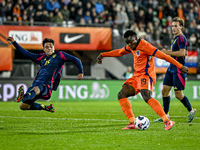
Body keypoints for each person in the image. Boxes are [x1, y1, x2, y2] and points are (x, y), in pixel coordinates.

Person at [97, 30, 188, 130]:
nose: (129, 45)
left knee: (146, 96)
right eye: (127, 43)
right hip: (136, 76)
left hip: (146, 75)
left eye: (131, 42)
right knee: (121, 94)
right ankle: (132, 123)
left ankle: (167, 121)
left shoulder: (146, 46)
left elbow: (164, 56)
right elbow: (119, 52)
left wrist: (180, 66)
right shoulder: (131, 46)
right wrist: (103, 54)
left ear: (136, 38)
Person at [7, 37, 83, 112]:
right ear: (43, 49)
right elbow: (26, 53)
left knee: (36, 89)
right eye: (47, 47)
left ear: (54, 47)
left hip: (46, 86)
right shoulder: (41, 57)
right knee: (23, 106)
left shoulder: (60, 55)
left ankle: (23, 96)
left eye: (51, 46)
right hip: (35, 84)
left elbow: (76, 60)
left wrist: (81, 72)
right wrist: (14, 43)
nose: (49, 48)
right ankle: (46, 107)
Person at [154, 17, 196, 123]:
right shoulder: (175, 38)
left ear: (181, 27)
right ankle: (165, 115)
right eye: (172, 26)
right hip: (171, 68)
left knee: (178, 94)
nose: (173, 28)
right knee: (164, 91)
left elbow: (182, 53)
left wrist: (167, 52)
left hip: (178, 69)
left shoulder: (181, 38)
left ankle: (191, 110)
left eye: (176, 26)